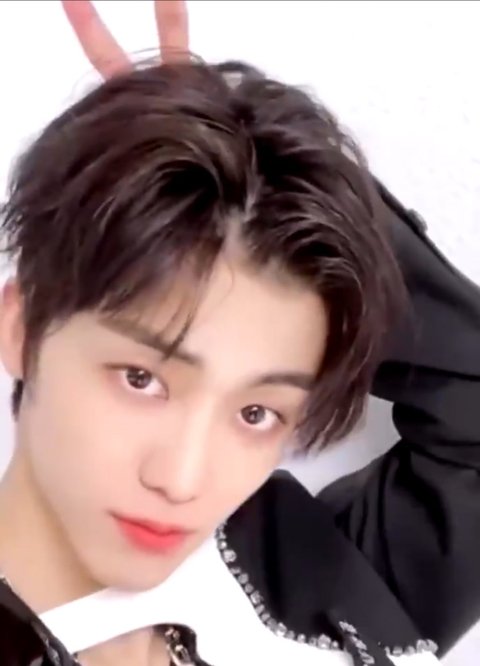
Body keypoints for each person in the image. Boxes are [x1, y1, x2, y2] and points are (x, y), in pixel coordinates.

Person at [0, 2, 478, 665]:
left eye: (256, 413)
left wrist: (262, 174)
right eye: (142, 379)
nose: (182, 480)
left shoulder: (301, 574)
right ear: (22, 326)